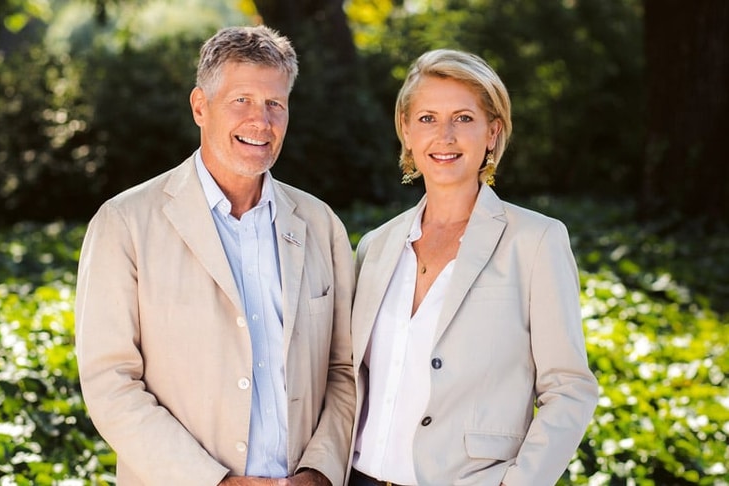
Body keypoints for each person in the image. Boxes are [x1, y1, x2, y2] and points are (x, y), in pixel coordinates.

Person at [75, 25, 355, 486]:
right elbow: (111, 382)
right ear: (200, 107)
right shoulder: (123, 223)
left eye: (275, 104)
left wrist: (320, 471)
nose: (260, 121)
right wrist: (213, 482)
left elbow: (345, 371)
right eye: (241, 100)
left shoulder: (321, 225)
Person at [347, 49, 599, 486]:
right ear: (406, 130)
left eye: (463, 118)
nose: (444, 135)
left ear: (492, 131)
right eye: (427, 118)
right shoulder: (376, 246)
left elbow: (569, 388)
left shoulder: (536, 241)